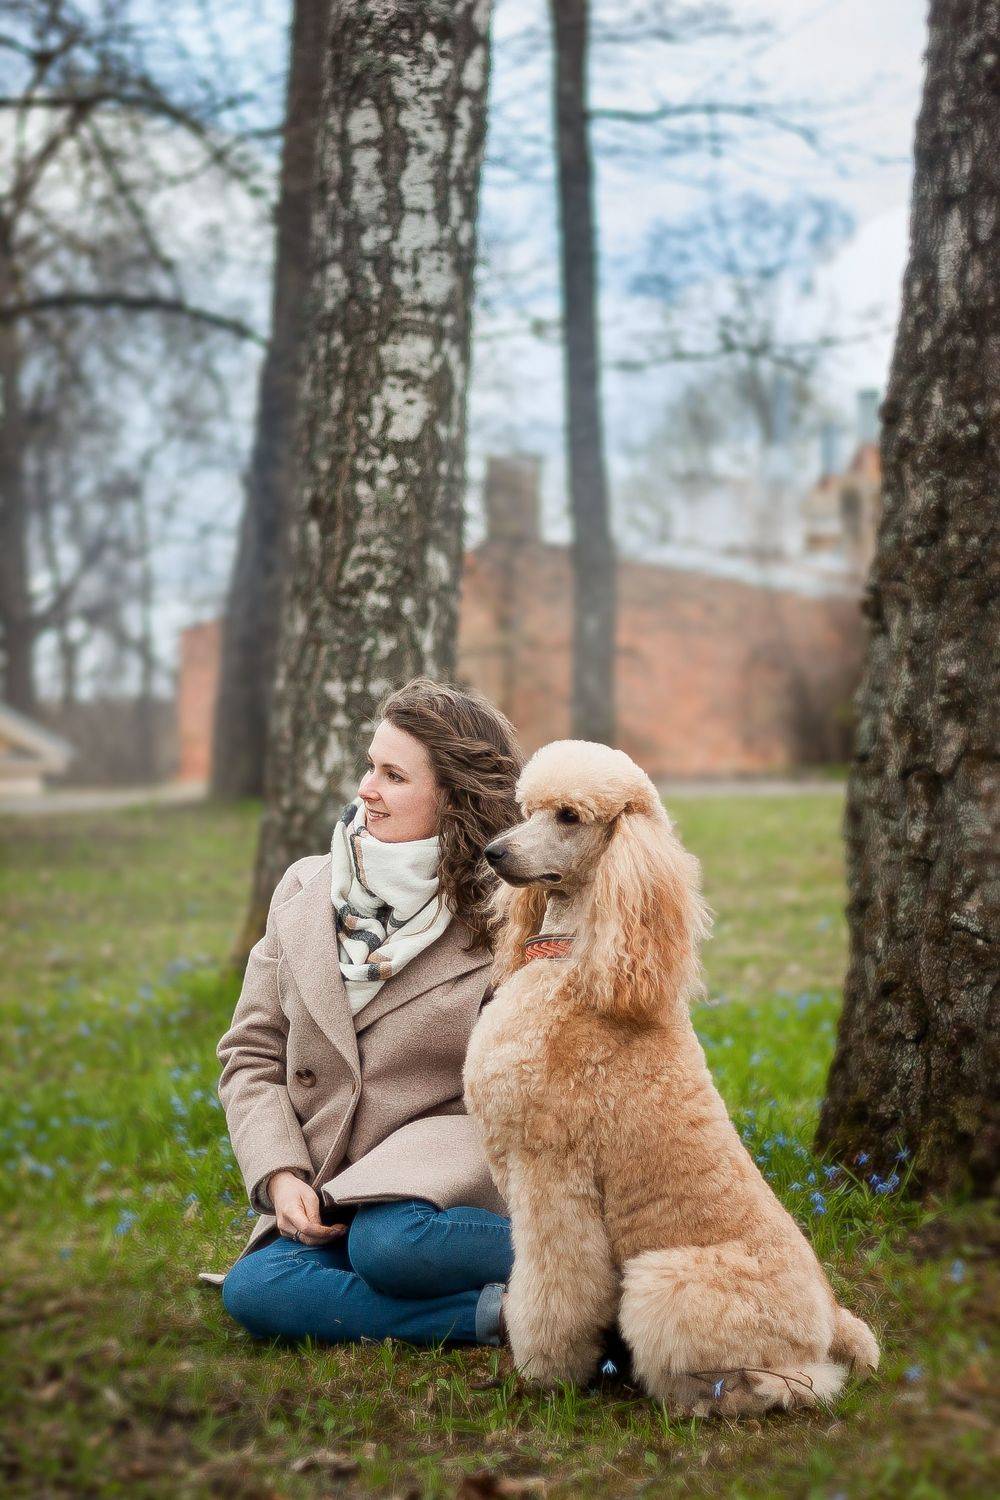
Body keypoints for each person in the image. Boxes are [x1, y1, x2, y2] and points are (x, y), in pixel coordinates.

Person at [214, 677, 521, 1349]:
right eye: (369, 765)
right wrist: (281, 1171)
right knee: (256, 1290)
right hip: (330, 1186)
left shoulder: (507, 913)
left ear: (453, 797)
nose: (366, 788)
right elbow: (251, 1053)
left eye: (392, 774)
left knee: (393, 1247)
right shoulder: (303, 888)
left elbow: (528, 1075)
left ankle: (602, 1269)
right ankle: (507, 1316)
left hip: (446, 1175)